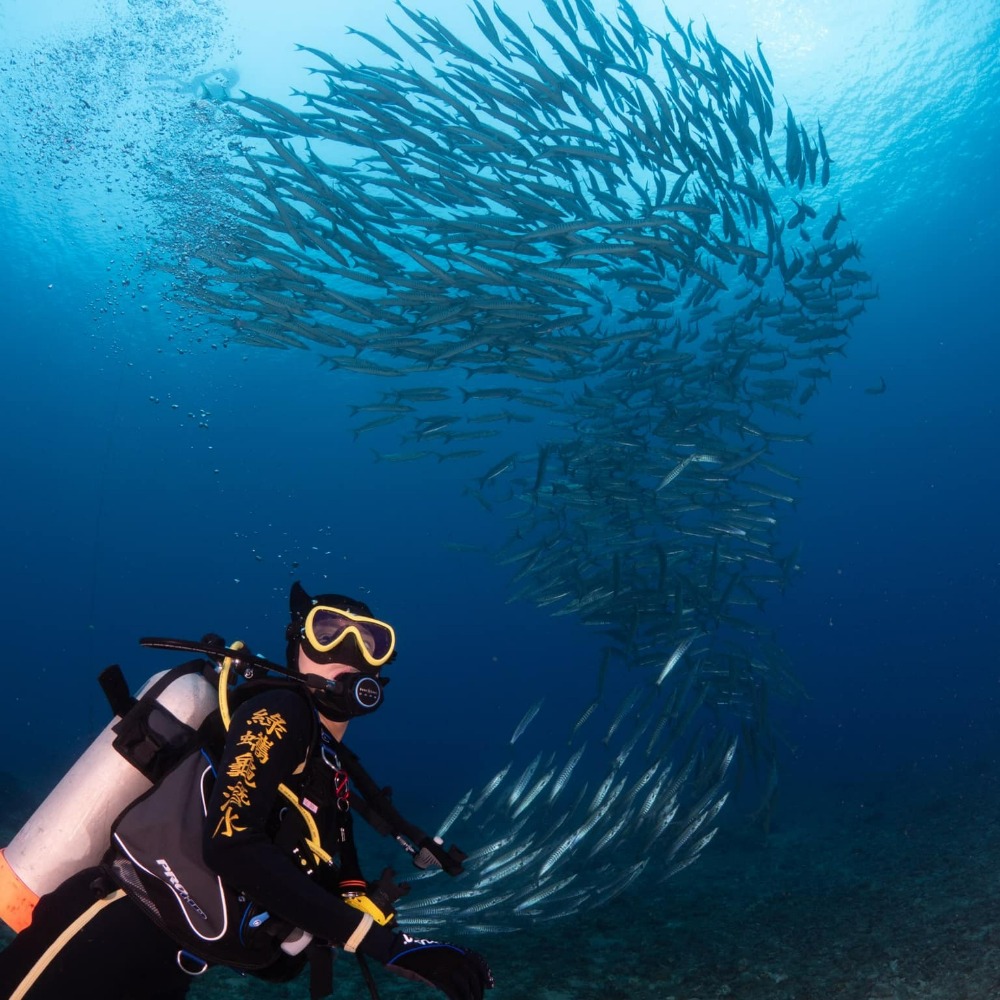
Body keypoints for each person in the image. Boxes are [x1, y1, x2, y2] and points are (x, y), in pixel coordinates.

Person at [0, 582, 494, 1000]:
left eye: (370, 641)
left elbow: (317, 878)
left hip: (173, 963)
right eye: (327, 634)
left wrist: (368, 914)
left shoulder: (326, 763)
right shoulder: (279, 711)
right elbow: (231, 846)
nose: (349, 654)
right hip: (110, 930)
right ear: (295, 647)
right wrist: (388, 947)